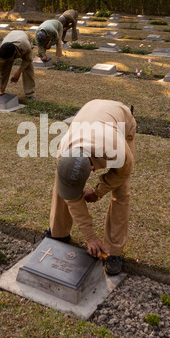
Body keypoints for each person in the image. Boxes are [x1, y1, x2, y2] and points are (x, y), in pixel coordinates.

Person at [48, 99, 136, 276]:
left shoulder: (118, 151)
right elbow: (72, 199)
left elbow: (121, 173)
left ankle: (113, 252)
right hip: (90, 111)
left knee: (121, 192)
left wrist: (98, 192)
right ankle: (59, 233)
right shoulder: (63, 151)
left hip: (121, 120)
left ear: (92, 168)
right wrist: (90, 237)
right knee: (62, 181)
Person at [0, 30, 37, 100]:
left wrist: (19, 71)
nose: (7, 60)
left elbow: (28, 60)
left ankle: (30, 93)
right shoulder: (0, 51)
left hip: (24, 37)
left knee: (28, 67)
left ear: (14, 53)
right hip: (11, 35)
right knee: (5, 67)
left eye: (9, 58)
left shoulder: (25, 46)